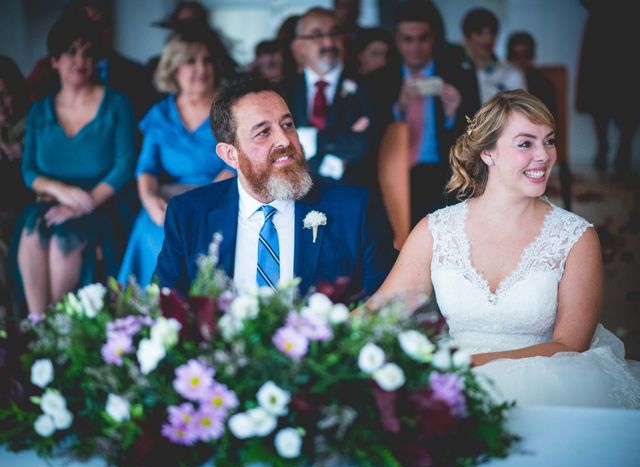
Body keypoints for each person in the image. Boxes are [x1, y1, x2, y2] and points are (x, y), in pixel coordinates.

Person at [374, 89, 640, 408]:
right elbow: (381, 310)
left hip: (551, 385)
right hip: (455, 388)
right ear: (488, 153)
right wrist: (320, 337)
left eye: (549, 140)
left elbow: (571, 342)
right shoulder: (436, 230)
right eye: (526, 143)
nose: (543, 155)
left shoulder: (576, 236)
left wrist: (471, 363)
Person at [156, 75, 396, 299]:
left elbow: (383, 306)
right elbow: (164, 309)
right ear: (230, 155)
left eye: (288, 124)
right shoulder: (188, 214)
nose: (284, 140)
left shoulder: (356, 210)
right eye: (263, 132)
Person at [16, 14, 136, 316]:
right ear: (54, 60)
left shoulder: (117, 104)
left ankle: (59, 327)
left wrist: (84, 202)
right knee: (32, 231)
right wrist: (59, 190)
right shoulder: (39, 111)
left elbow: (124, 165)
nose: (80, 59)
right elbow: (29, 170)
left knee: (61, 240)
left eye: (88, 51)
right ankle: (36, 324)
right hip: (51, 198)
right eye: (71, 51)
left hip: (102, 203)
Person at [117, 29, 235, 288]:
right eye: (190, 61)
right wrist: (150, 200)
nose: (201, 68)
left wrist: (201, 204)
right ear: (173, 69)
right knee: (152, 229)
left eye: (207, 60)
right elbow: (147, 167)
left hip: (220, 196)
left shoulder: (230, 108)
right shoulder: (159, 114)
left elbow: (235, 163)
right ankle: (150, 314)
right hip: (172, 198)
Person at [390, 0, 475, 226]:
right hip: (394, 171)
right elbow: (374, 134)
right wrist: (398, 109)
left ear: (434, 37)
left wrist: (452, 115)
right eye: (408, 39)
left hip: (442, 171)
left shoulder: (459, 76)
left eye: (423, 38)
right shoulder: (382, 79)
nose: (416, 47)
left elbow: (477, 134)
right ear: (396, 40)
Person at [283, 7, 379, 188]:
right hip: (296, 191)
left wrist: (312, 139)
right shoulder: (283, 91)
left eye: (335, 33)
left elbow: (363, 145)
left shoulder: (369, 87)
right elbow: (283, 146)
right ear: (299, 47)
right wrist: (335, 149)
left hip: (352, 190)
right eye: (316, 35)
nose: (328, 42)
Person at [27, 0, 153, 119]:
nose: (95, 30)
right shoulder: (45, 69)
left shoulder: (135, 73)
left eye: (101, 24)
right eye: (85, 22)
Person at [576, 0, 639, 177]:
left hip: (630, 21)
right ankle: (604, 145)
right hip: (603, 21)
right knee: (599, 90)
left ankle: (623, 145)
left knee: (630, 88)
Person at [0, 56, 33, 315]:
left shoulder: (35, 124)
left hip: (28, 210)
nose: (1, 105)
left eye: (5, 95)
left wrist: (24, 153)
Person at [460, 7, 526, 113]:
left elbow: (523, 110)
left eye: (492, 32)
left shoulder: (511, 73)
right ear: (466, 37)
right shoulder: (457, 74)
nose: (487, 38)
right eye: (479, 32)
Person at [506, 31, 557, 119]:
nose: (521, 61)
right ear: (508, 58)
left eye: (526, 55)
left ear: (533, 56)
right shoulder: (500, 82)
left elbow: (550, 120)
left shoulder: (544, 86)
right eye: (516, 56)